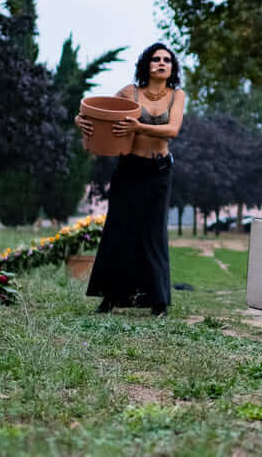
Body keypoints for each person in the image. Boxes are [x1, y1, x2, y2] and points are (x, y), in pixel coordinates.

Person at [75, 42, 186, 317]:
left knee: (153, 233)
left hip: (159, 170)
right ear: (146, 64)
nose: (161, 63)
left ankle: (159, 302)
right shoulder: (130, 92)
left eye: (167, 60)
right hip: (129, 168)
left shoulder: (176, 95)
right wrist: (81, 120)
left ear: (172, 67)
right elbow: (99, 113)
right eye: (156, 59)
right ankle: (109, 298)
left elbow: (172, 130)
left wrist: (139, 127)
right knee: (119, 229)